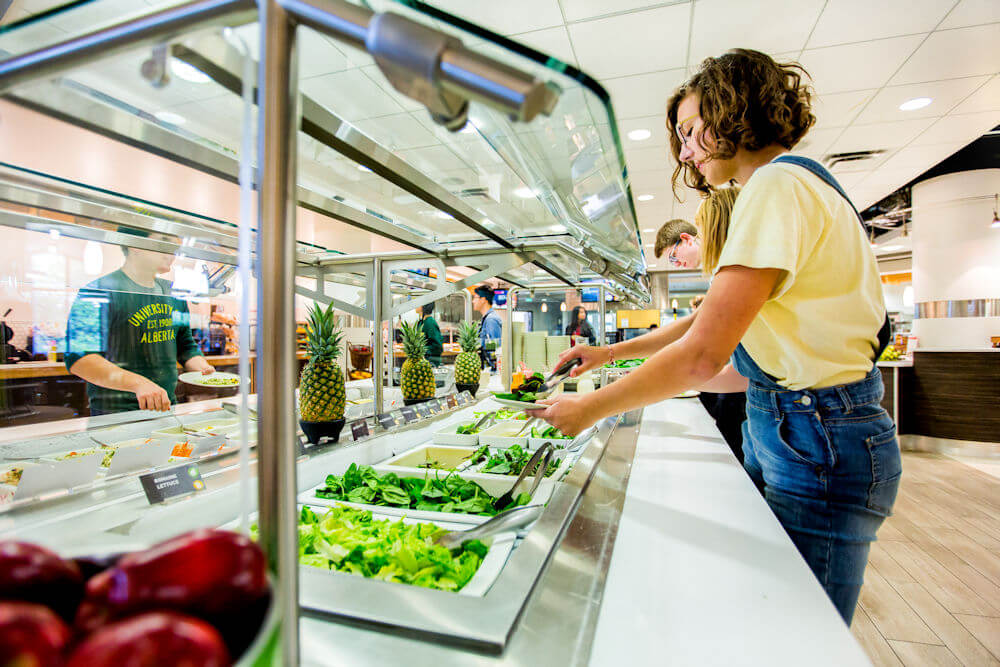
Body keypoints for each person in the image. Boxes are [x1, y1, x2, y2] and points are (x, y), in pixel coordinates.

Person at [528, 49, 899, 625]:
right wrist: (606, 354)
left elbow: (703, 354)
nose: (685, 150)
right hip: (811, 425)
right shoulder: (794, 183)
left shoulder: (776, 188)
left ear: (733, 110)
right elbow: (705, 325)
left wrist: (590, 408)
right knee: (782, 620)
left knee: (801, 636)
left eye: (691, 130)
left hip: (818, 431)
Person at [66, 230, 214, 414]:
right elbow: (80, 359)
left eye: (175, 246)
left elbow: (185, 346)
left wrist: (203, 368)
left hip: (167, 408)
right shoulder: (97, 291)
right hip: (116, 415)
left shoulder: (173, 293)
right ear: (134, 245)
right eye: (164, 242)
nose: (172, 252)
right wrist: (139, 384)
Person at [472, 285, 502, 371]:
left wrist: (492, 368)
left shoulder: (490, 320)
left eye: (475, 298)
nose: (473, 301)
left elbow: (494, 348)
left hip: (492, 370)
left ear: (483, 300)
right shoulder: (486, 318)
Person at [415, 301, 443, 366]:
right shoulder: (421, 322)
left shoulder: (430, 323)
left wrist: (422, 350)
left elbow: (437, 346)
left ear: (424, 306)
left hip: (430, 362)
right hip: (423, 361)